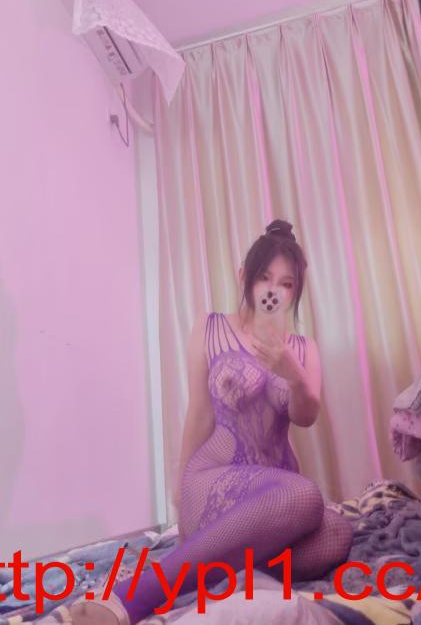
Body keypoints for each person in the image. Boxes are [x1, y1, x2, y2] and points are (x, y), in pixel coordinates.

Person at [70, 219, 353, 624]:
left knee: (337, 532)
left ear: (296, 291)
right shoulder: (210, 327)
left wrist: (293, 374)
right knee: (306, 496)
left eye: (286, 283)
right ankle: (131, 597)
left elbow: (306, 417)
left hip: (276, 491)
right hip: (214, 477)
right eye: (264, 277)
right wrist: (181, 487)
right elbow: (200, 412)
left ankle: (221, 568)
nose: (273, 290)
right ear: (244, 276)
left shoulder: (303, 349)